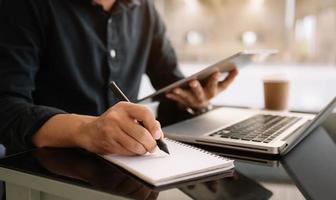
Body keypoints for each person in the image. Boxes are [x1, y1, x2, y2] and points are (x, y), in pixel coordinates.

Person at [0, 0, 237, 155]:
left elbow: (170, 86)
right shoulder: (24, 6)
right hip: (41, 173)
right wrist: (86, 129)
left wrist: (195, 99)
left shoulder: (145, 10)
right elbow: (6, 107)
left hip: (126, 171)